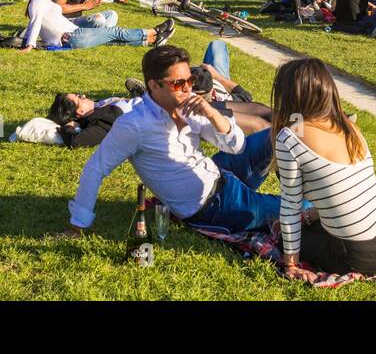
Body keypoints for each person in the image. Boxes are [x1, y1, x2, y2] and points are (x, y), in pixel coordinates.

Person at [62, 45, 283, 237]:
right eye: (179, 83)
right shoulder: (134, 125)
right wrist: (77, 225)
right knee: (304, 211)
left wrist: (214, 115)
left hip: (220, 172)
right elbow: (95, 169)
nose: (188, 88)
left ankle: (303, 184)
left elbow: (237, 146)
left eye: (191, 80)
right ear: (154, 85)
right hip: (212, 206)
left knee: (279, 136)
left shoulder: (190, 106)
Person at [272, 58, 376, 279]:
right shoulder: (348, 125)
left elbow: (290, 208)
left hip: (359, 255)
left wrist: (291, 266)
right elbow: (346, 190)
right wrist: (311, 216)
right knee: (313, 227)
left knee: (285, 237)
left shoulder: (290, 137)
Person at [19, 0, 172, 50]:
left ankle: (152, 40)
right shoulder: (37, 1)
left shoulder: (45, 2)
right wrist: (29, 46)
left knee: (111, 37)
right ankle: (154, 31)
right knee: (114, 31)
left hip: (74, 35)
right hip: (71, 37)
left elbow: (50, 22)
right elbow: (36, 22)